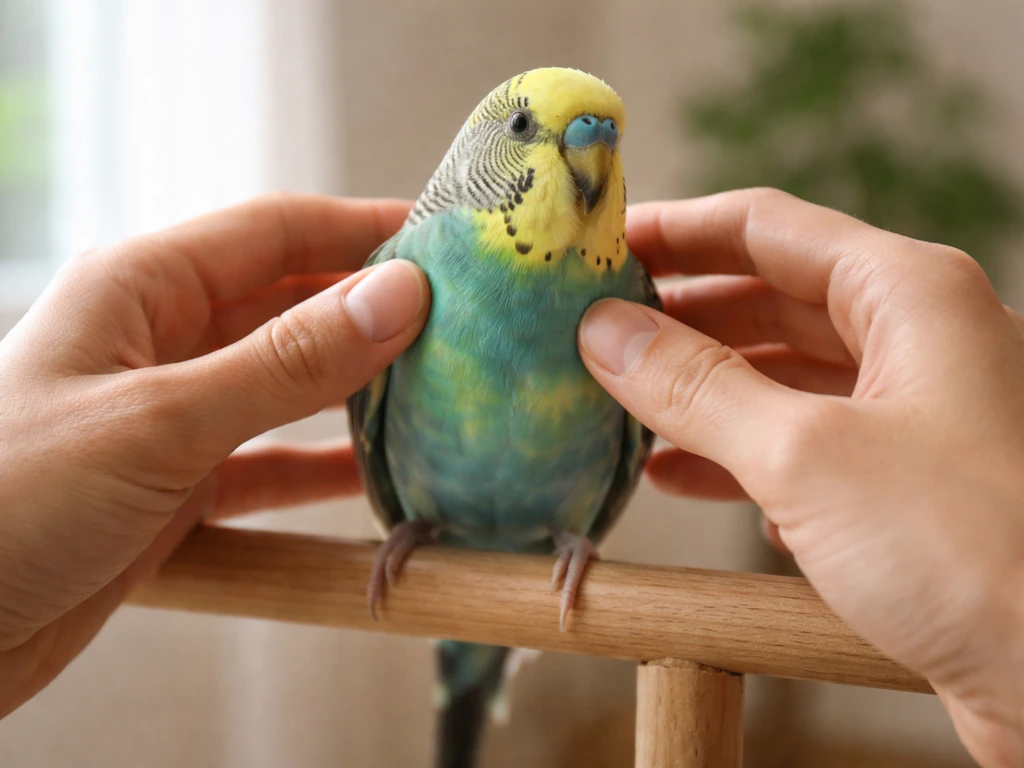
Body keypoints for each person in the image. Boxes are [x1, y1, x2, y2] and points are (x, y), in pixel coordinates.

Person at [0, 190, 1019, 766]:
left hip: (562, 527)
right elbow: (377, 421)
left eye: (602, 140)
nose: (585, 156)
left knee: (471, 707)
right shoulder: (405, 268)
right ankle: (462, 685)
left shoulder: (627, 288)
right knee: (460, 700)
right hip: (426, 518)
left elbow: (625, 448)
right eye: (534, 127)